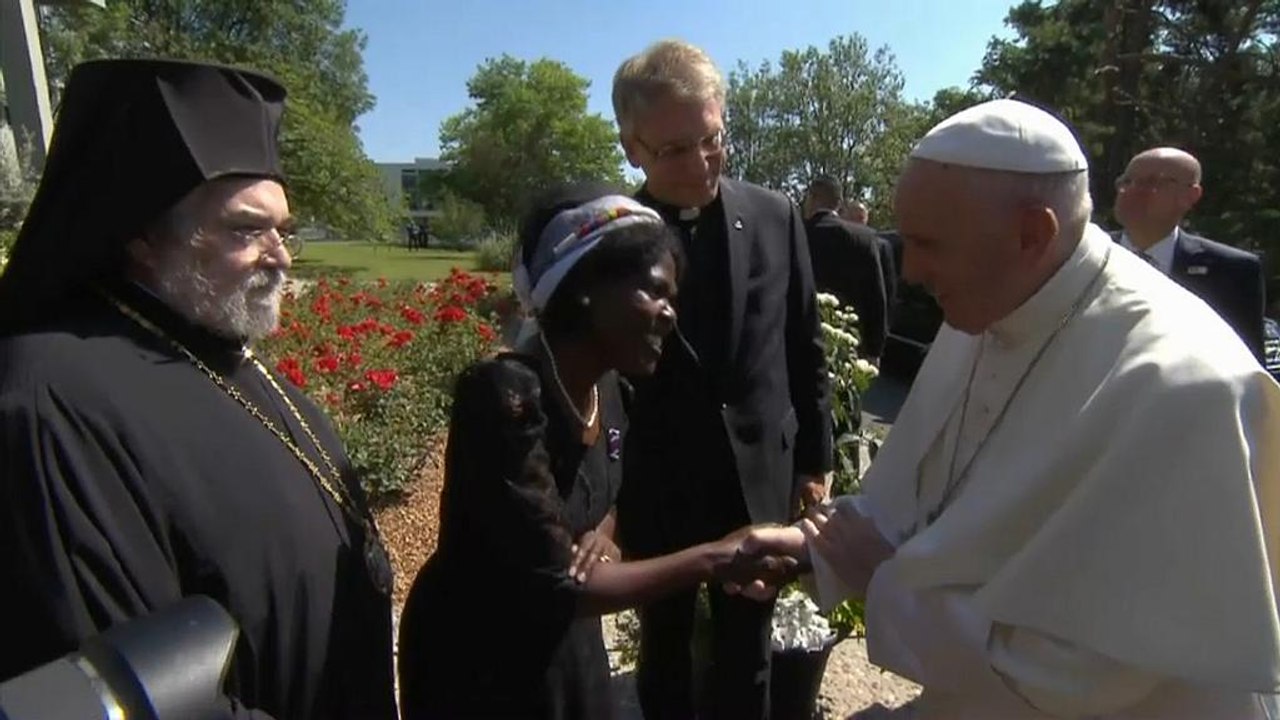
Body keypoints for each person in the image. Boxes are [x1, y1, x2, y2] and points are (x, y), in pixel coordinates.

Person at [736, 99, 1280, 718]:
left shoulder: (1186, 385)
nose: (909, 271)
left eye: (927, 244)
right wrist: (814, 547)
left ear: (1033, 233)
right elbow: (927, 493)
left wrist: (884, 584)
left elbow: (1080, 675)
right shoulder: (994, 300)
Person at [0, 59, 396, 718]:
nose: (282, 256)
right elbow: (113, 690)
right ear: (143, 235)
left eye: (283, 230)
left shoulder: (232, 359)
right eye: (246, 228)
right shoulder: (49, 398)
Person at [396, 183, 790, 720]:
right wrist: (716, 556)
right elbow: (557, 582)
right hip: (481, 659)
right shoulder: (506, 400)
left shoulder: (611, 390)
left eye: (673, 299)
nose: (670, 315)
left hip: (563, 642)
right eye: (655, 291)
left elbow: (604, 497)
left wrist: (601, 536)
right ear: (586, 284)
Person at [610, 39, 833, 719]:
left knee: (749, 654)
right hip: (658, 485)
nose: (701, 162)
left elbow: (804, 344)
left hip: (756, 477)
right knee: (665, 651)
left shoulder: (774, 215)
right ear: (633, 148)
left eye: (712, 140)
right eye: (675, 150)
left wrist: (816, 460)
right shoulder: (613, 234)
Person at [1114, 146, 1267, 361]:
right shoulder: (1082, 253)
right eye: (1126, 182)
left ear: (1191, 195)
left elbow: (1248, 365)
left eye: (1151, 182)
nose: (1131, 191)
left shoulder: (1232, 270)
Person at [804, 174, 889, 361]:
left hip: (802, 338)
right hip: (849, 343)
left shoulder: (798, 233)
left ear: (813, 197)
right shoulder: (865, 239)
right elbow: (876, 296)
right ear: (838, 203)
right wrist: (875, 350)